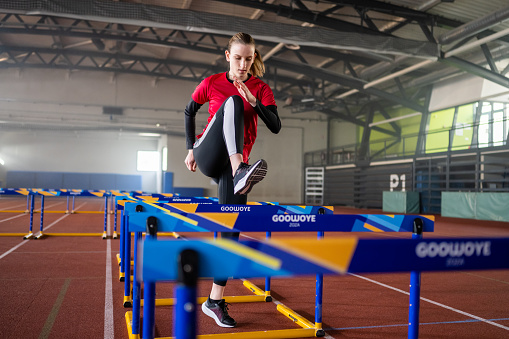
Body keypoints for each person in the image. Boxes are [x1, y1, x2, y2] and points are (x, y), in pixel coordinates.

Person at [184, 32, 281, 328]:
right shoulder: (212, 82)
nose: (243, 65)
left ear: (254, 59)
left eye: (248, 59)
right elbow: (190, 110)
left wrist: (255, 100)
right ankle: (240, 168)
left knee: (232, 228)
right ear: (228, 56)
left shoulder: (261, 88)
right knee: (233, 104)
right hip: (209, 154)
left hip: (231, 170)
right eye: (237, 58)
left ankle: (214, 300)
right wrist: (190, 148)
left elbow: (275, 126)